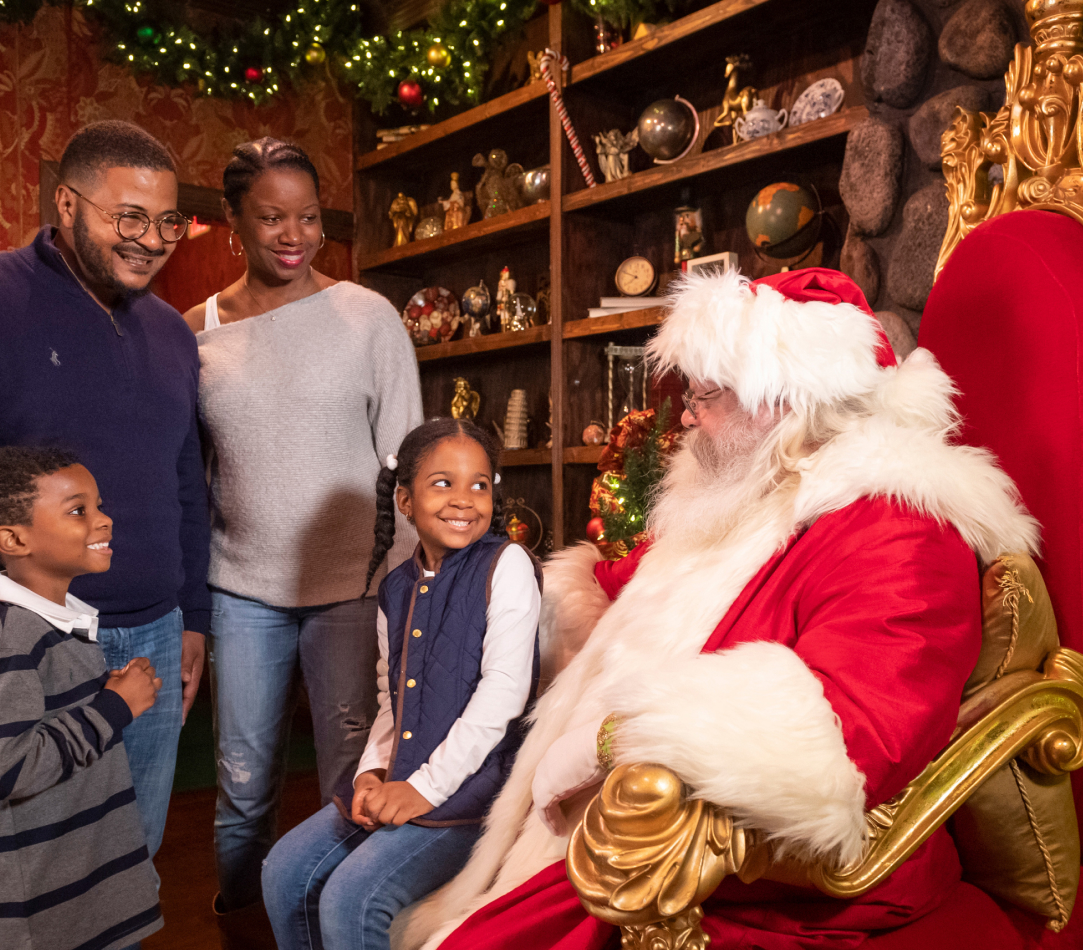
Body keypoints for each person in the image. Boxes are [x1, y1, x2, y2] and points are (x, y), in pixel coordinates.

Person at [394, 268, 1040, 950]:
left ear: (782, 399)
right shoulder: (763, 491)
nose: (687, 416)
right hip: (647, 844)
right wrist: (510, 598)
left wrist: (616, 738)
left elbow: (846, 742)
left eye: (704, 395)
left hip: (764, 887)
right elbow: (647, 586)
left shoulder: (901, 527)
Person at [0, 120, 209, 860]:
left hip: (154, 640)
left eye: (168, 223)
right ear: (66, 204)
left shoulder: (172, 334)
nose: (151, 241)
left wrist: (193, 616)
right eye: (128, 217)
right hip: (25, 640)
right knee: (27, 882)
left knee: (129, 871)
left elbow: (185, 483)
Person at [184, 137, 424, 915]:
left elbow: (408, 459)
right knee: (243, 784)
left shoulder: (368, 318)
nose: (294, 235)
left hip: (353, 586)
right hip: (239, 589)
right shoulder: (195, 331)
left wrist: (407, 584)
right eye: (271, 218)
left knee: (349, 780)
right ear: (233, 221)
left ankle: (331, 916)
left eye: (310, 217)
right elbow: (187, 478)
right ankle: (240, 916)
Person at [262, 419, 539, 950]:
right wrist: (372, 771)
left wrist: (421, 789)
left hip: (474, 793)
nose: (464, 499)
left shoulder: (507, 565)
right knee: (284, 872)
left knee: (352, 900)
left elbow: (503, 694)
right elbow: (392, 700)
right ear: (406, 501)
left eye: (479, 484)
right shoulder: (396, 588)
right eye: (443, 483)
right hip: (403, 778)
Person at [0, 446, 164, 950]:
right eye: (78, 510)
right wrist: (114, 708)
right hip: (35, 921)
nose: (103, 519)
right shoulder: (9, 641)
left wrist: (104, 698)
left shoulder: (49, 626)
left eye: (99, 505)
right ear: (14, 540)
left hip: (74, 897)